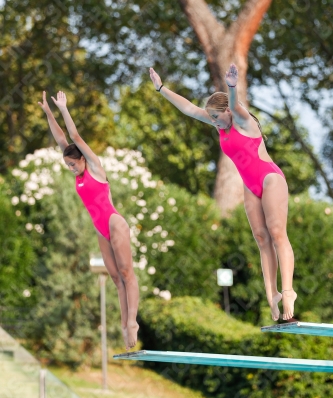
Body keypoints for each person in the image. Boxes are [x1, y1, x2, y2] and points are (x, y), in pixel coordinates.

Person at [150, 63, 297, 321]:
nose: (214, 123)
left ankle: (288, 290)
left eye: (217, 118)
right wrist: (161, 89)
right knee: (261, 239)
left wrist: (231, 86)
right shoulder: (221, 123)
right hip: (249, 185)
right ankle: (272, 294)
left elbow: (236, 104)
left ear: (228, 111)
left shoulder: (242, 120)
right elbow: (189, 109)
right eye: (212, 119)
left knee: (277, 234)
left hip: (270, 179)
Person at [38, 90, 139, 349]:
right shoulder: (77, 171)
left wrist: (62, 108)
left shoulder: (94, 167)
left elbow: (74, 137)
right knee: (116, 278)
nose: (71, 168)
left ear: (83, 159)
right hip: (100, 230)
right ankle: (123, 322)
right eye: (68, 166)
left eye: (73, 164)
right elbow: (61, 139)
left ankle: (132, 323)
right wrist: (48, 113)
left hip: (115, 223)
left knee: (127, 273)